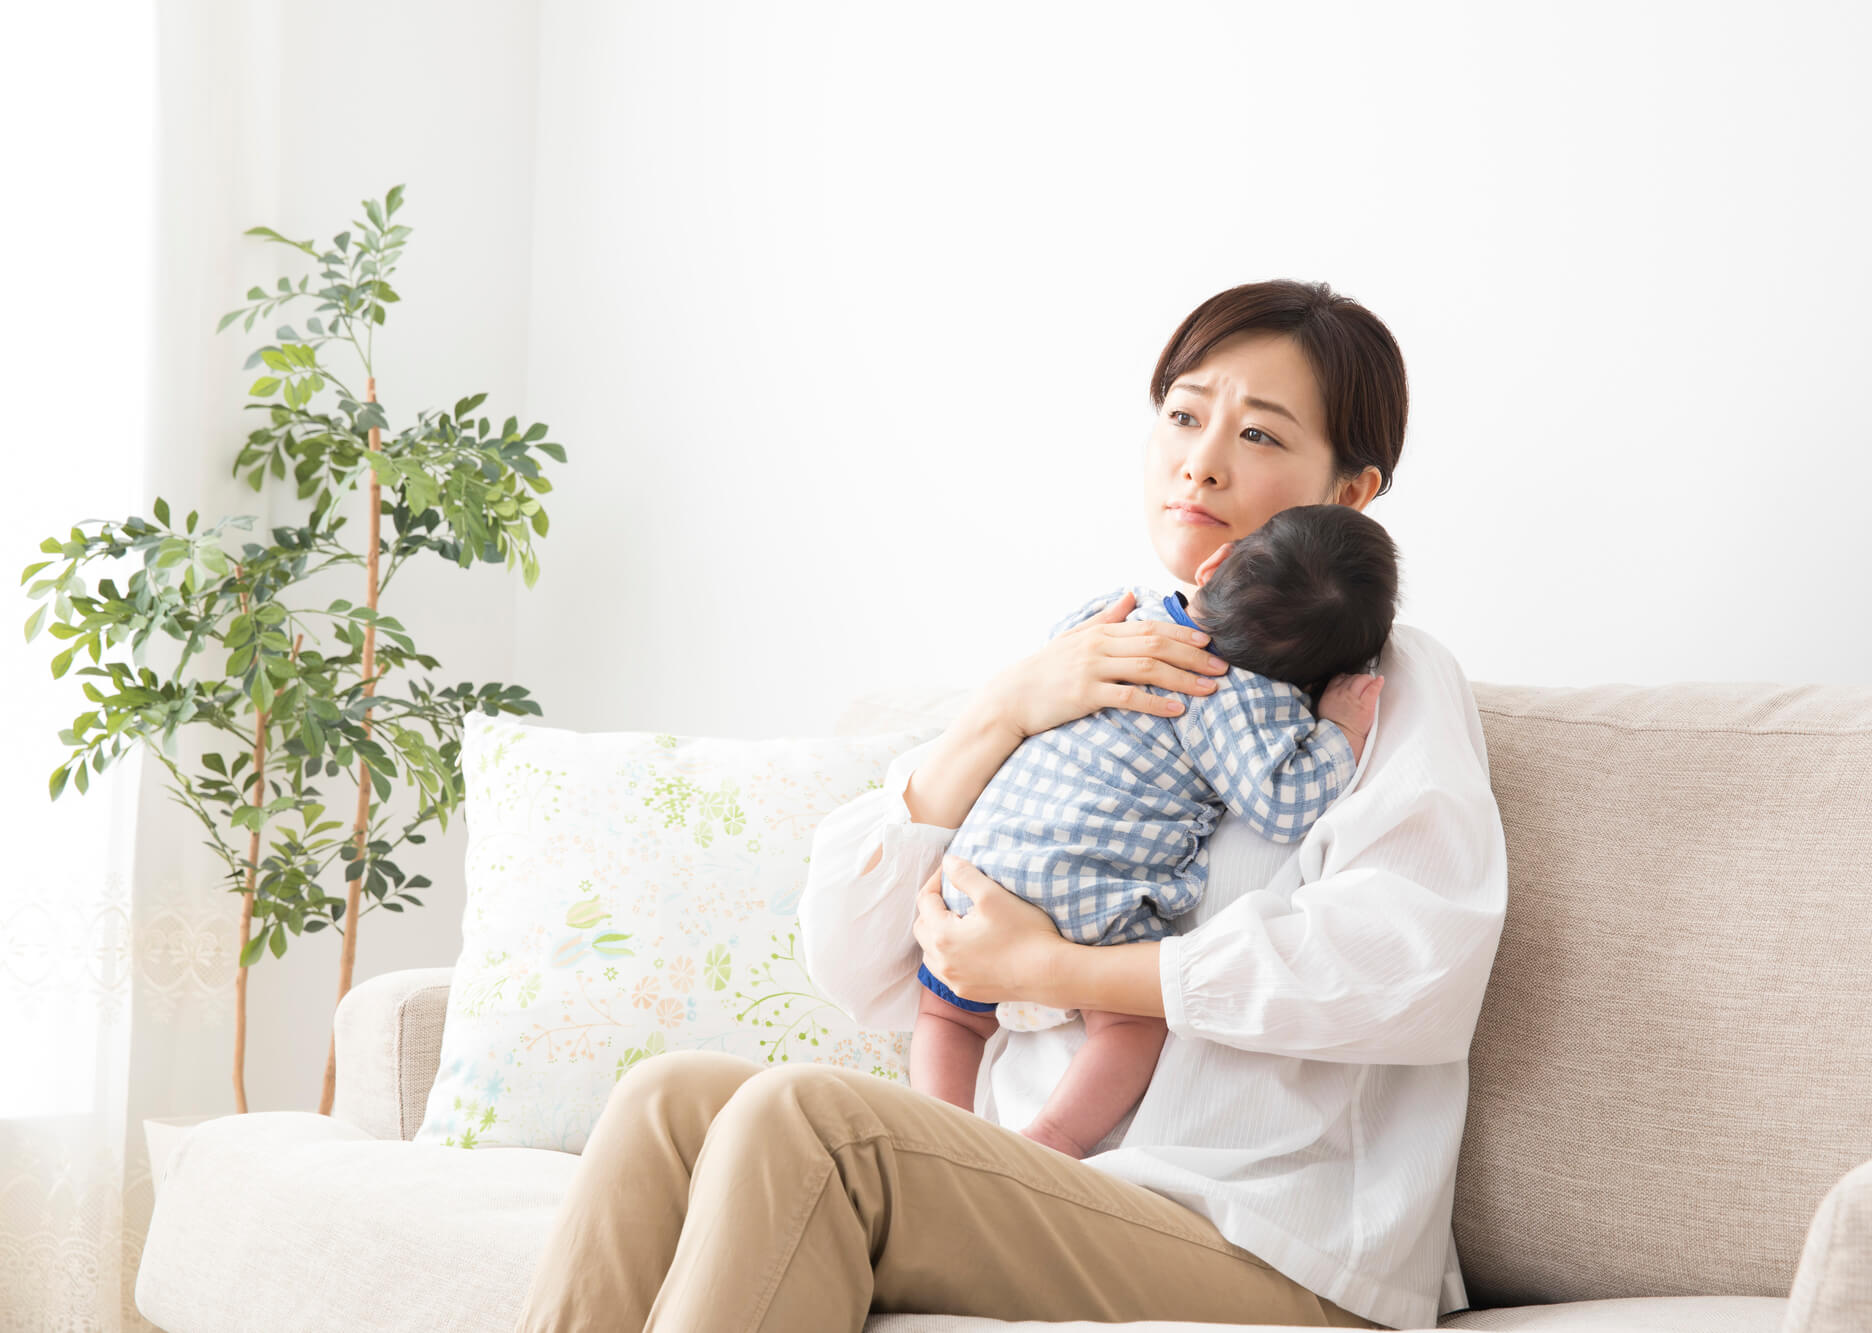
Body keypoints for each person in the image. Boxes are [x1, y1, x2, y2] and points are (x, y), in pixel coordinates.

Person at [508, 279, 1508, 1333]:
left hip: (1260, 1235)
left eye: (1257, 433)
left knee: (813, 1123)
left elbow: (1407, 965)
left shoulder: (1384, 683)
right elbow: (853, 959)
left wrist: (1053, 973)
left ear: (1347, 494)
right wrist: (997, 711)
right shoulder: (1089, 652)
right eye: (1181, 415)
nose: (1199, 460)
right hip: (1024, 1186)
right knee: (665, 1104)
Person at [909, 500, 1402, 1170]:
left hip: (981, 867)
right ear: (1312, 676)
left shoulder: (1121, 610)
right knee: (1133, 1023)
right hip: (1084, 895)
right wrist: (1339, 730)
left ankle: (931, 1139)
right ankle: (1052, 1139)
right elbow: (1283, 803)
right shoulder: (1242, 696)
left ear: (1217, 562)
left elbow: (1056, 650)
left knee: (946, 1015)